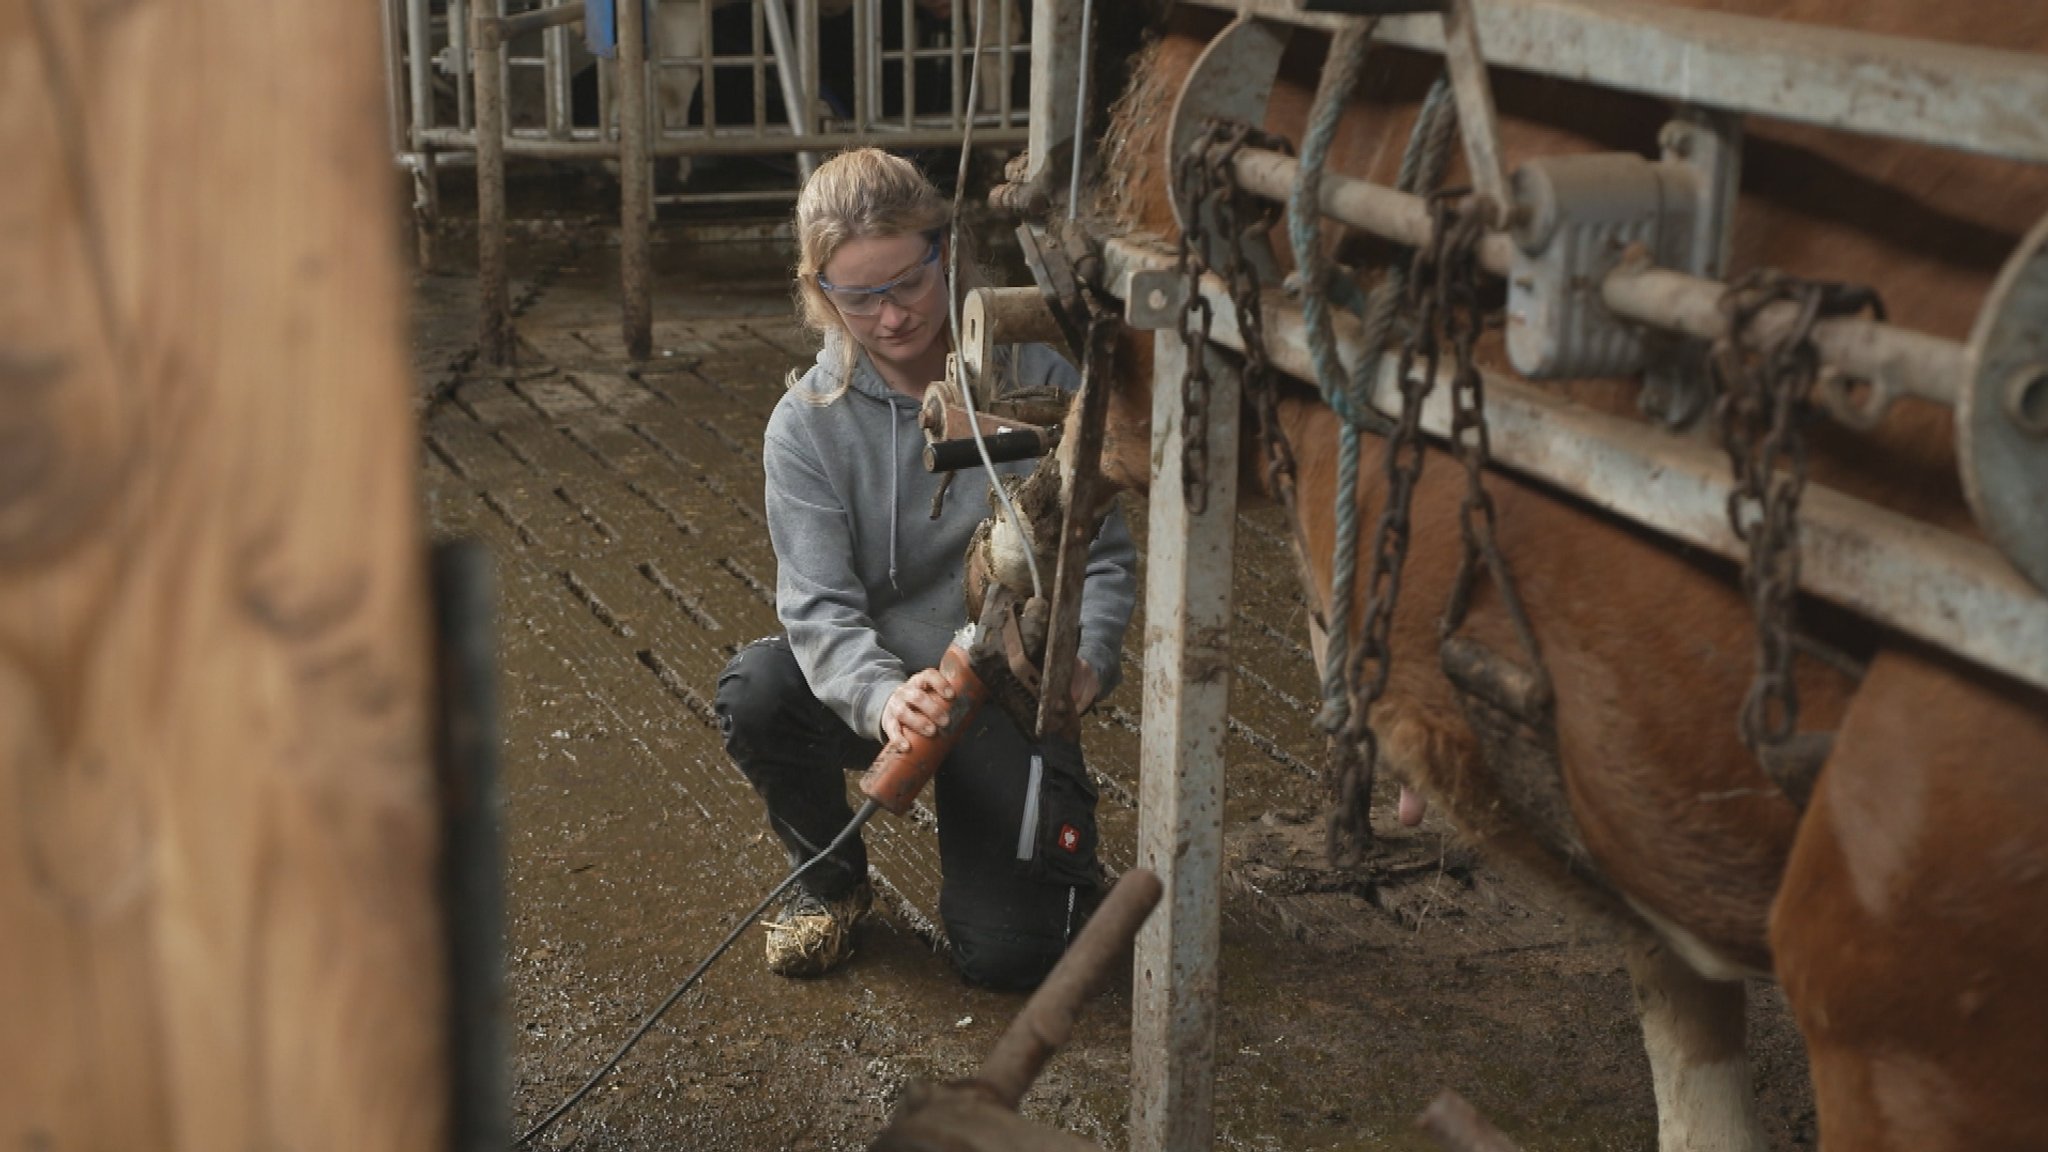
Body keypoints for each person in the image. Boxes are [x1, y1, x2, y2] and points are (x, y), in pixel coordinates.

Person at [713, 148, 1137, 991]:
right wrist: (880, 697)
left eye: (908, 282)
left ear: (948, 249)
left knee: (1012, 959)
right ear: (819, 292)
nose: (893, 316)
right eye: (857, 296)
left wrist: (1086, 654)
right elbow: (820, 609)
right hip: (891, 689)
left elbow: (1108, 552)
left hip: (1005, 682)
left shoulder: (1043, 378)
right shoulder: (805, 426)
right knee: (757, 688)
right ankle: (830, 885)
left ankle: (1053, 871)